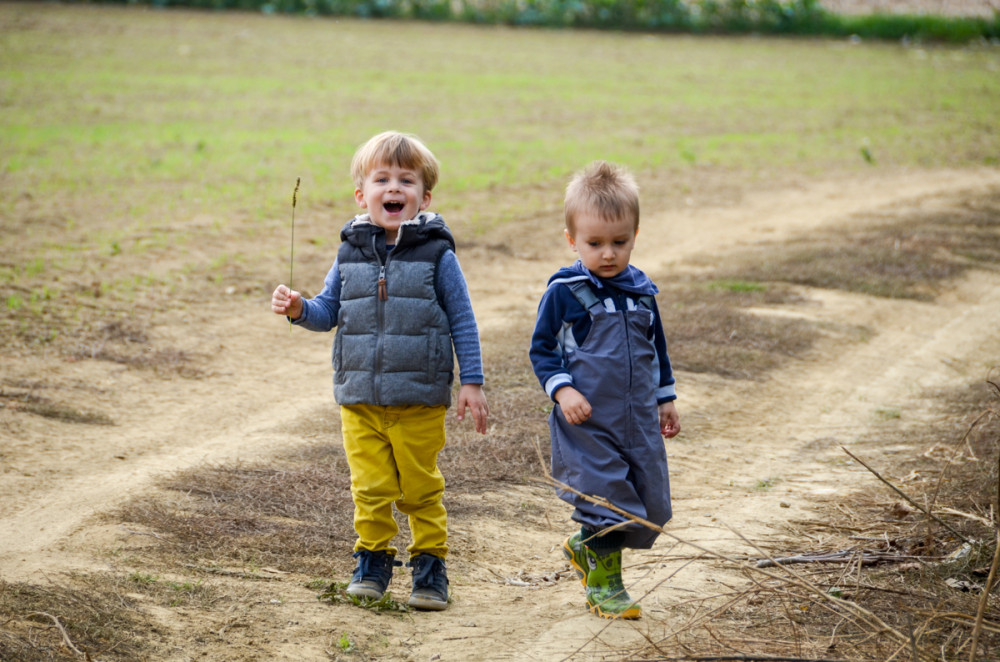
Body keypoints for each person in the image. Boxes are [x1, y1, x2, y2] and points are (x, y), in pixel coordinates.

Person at [271, 131, 489, 611]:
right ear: (362, 193)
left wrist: (471, 381)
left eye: (406, 180)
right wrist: (298, 308)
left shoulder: (438, 255)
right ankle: (372, 562)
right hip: (360, 399)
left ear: (424, 197)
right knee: (369, 488)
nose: (394, 188)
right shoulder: (349, 252)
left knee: (419, 489)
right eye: (382, 179)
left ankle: (430, 569)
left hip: (418, 399)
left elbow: (464, 320)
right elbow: (329, 311)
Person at [529, 160, 680, 620]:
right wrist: (563, 391)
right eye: (595, 244)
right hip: (588, 422)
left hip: (635, 419)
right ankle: (605, 586)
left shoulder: (641, 292)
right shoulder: (567, 292)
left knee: (651, 506)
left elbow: (657, 348)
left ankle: (583, 546)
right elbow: (542, 350)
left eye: (620, 242)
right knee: (608, 501)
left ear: (635, 234)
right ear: (572, 240)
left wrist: (665, 396)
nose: (609, 254)